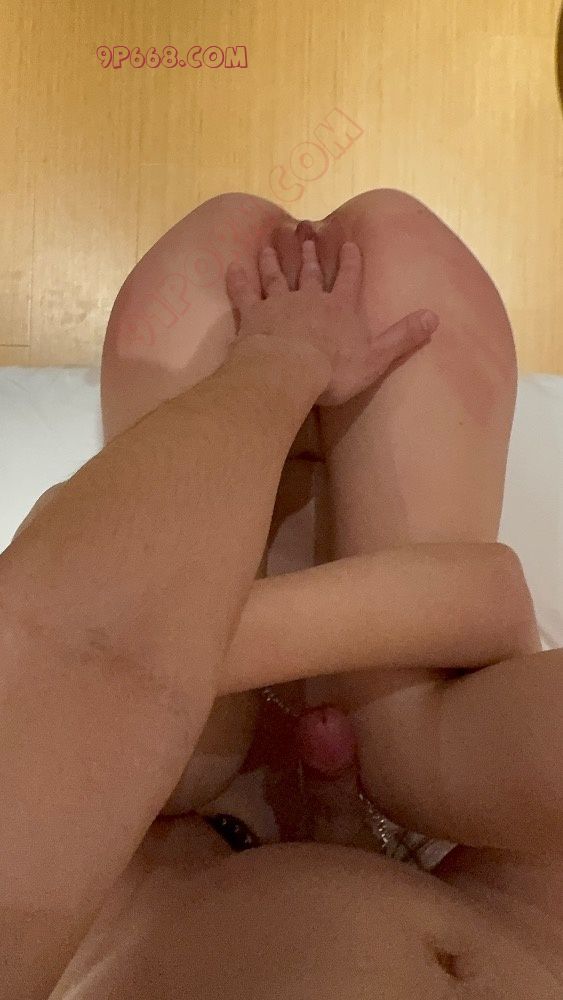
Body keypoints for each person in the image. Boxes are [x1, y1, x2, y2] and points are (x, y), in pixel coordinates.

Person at [0, 191, 560, 1000]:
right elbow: (495, 598)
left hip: (153, 863)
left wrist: (151, 654)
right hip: (508, 912)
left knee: (68, 719)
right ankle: (383, 703)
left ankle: (207, 660)